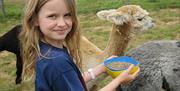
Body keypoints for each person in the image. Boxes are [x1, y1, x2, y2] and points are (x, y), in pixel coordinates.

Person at [19, 0, 140, 91]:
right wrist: (119, 80)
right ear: (34, 19)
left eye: (67, 15)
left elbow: (72, 80)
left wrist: (101, 67)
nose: (62, 23)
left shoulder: (46, 49)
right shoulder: (57, 61)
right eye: (52, 16)